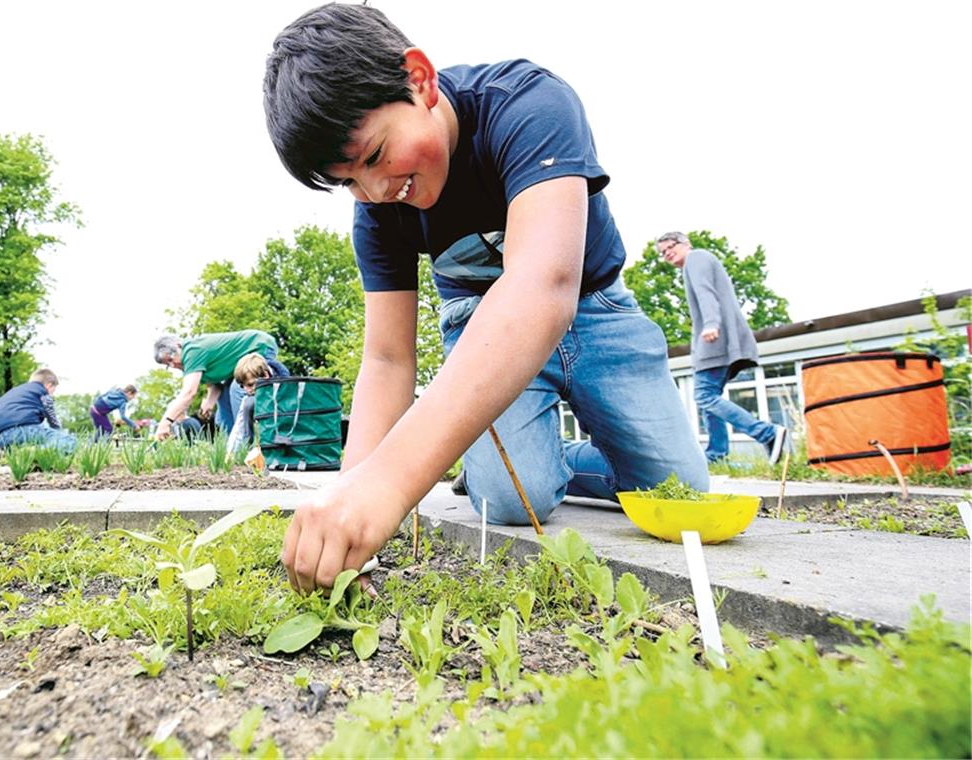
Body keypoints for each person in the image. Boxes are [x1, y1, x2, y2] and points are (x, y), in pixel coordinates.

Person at [263, 3, 708, 593]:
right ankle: (535, 462)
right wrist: (353, 490)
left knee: (679, 491)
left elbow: (542, 289)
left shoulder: (527, 104)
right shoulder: (377, 215)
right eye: (348, 181)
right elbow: (388, 359)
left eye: (373, 156)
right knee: (509, 500)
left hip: (596, 308)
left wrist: (391, 484)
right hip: (480, 329)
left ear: (418, 80)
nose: (374, 190)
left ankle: (556, 454)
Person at [656, 232, 788, 464]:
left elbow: (707, 293)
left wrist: (711, 324)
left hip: (716, 340)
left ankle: (767, 433)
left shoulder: (696, 258)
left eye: (670, 247)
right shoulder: (697, 262)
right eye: (662, 252)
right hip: (716, 341)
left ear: (686, 244)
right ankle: (717, 454)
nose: (667, 253)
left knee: (705, 396)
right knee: (709, 398)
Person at [152, 330, 289, 441]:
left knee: (237, 389)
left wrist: (165, 423)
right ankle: (231, 448)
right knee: (223, 402)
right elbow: (215, 386)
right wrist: (209, 403)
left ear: (178, 346)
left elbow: (188, 393)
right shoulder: (189, 364)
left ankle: (245, 443)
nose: (173, 365)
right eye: (167, 365)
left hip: (259, 346)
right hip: (237, 365)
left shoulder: (191, 351)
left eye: (171, 359)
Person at [0, 368, 77, 454]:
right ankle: (32, 452)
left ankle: (1, 451)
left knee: (25, 441)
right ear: (49, 385)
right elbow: (52, 418)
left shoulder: (15, 392)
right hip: (21, 430)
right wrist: (57, 431)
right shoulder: (42, 392)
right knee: (70, 441)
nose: (52, 395)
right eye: (53, 391)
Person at [227, 353, 283, 450]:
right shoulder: (249, 398)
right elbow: (239, 428)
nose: (247, 390)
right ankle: (248, 448)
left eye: (250, 385)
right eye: (242, 386)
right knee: (249, 404)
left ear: (265, 376)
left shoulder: (284, 385)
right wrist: (231, 453)